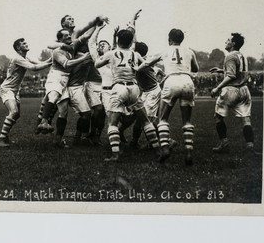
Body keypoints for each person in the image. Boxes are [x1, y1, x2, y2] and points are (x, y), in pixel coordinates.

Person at [93, 27, 167, 162]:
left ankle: (115, 154)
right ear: (131, 41)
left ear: (117, 40)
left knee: (113, 123)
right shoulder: (135, 54)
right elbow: (145, 64)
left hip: (118, 87)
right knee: (145, 121)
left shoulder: (111, 53)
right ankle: (158, 150)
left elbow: (97, 64)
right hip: (134, 88)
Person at [139, 29, 199, 165]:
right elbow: (195, 68)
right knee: (187, 121)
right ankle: (189, 152)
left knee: (163, 119)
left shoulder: (164, 50)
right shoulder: (189, 51)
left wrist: (136, 69)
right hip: (187, 81)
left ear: (169, 39)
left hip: (171, 81)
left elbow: (147, 63)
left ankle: (165, 149)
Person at [0, 38, 52, 147]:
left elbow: (41, 63)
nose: (26, 44)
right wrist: (53, 61)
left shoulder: (25, 57)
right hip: (7, 89)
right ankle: (1, 139)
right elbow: (34, 67)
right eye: (23, 43)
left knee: (16, 115)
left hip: (14, 90)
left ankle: (5, 136)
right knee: (13, 112)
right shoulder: (18, 58)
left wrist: (53, 59)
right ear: (18, 48)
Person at [37, 29, 93, 133]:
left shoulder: (71, 46)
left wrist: (96, 23)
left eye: (69, 35)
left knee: (63, 111)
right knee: (53, 97)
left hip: (65, 80)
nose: (69, 36)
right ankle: (43, 122)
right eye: (66, 35)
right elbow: (67, 64)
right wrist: (83, 58)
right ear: (60, 39)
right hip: (56, 77)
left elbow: (85, 36)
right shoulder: (57, 51)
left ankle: (58, 140)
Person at [210, 33, 257, 154]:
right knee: (246, 119)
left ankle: (224, 144)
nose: (226, 41)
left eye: (228, 40)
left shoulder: (230, 56)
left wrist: (217, 88)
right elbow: (239, 72)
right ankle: (250, 146)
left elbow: (231, 75)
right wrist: (222, 70)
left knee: (218, 117)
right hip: (244, 91)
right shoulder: (242, 56)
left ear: (233, 43)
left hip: (232, 90)